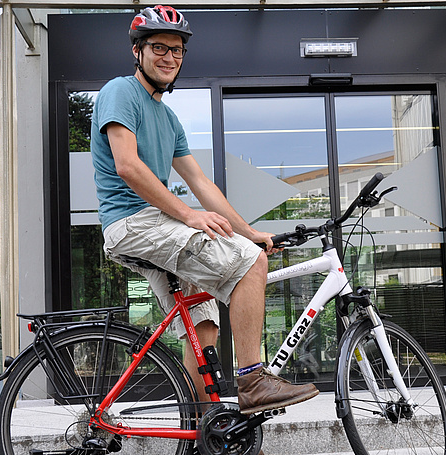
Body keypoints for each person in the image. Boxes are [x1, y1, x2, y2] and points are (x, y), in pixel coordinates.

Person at [90, 5, 319, 420]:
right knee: (251, 264)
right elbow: (127, 165)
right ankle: (253, 380)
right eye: (158, 47)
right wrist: (188, 215)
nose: (169, 58)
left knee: (204, 324)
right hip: (133, 223)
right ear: (137, 51)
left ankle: (205, 427)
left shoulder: (168, 117)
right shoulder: (120, 92)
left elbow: (201, 184)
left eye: (177, 51)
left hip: (153, 225)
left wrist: (246, 230)